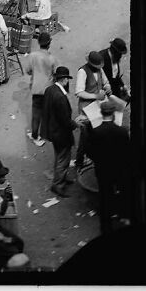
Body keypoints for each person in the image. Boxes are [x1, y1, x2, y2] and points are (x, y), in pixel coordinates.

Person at [87, 100, 131, 234]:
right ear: (113, 114)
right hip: (119, 169)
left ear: (101, 113)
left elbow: (90, 152)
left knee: (105, 196)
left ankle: (106, 227)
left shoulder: (96, 132)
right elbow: (127, 152)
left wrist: (99, 161)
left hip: (103, 170)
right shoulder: (122, 132)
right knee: (123, 192)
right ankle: (124, 217)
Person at [41, 66, 79, 197]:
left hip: (52, 130)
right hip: (60, 133)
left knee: (59, 156)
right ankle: (58, 185)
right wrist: (76, 124)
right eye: (67, 79)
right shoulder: (60, 97)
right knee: (63, 158)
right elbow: (65, 121)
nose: (68, 82)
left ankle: (62, 177)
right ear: (64, 80)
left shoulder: (50, 90)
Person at [74, 50, 112, 171]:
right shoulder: (82, 72)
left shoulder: (99, 69)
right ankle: (79, 161)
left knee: (97, 132)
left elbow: (105, 81)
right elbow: (79, 92)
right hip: (86, 108)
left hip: (98, 106)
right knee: (85, 135)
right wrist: (96, 96)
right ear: (90, 63)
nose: (98, 68)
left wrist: (108, 87)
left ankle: (93, 156)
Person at [25, 32, 55, 147]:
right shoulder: (51, 58)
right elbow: (55, 73)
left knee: (36, 113)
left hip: (36, 89)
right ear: (49, 44)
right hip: (48, 89)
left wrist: (35, 72)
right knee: (48, 112)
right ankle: (48, 134)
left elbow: (28, 71)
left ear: (38, 43)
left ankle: (35, 136)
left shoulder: (32, 56)